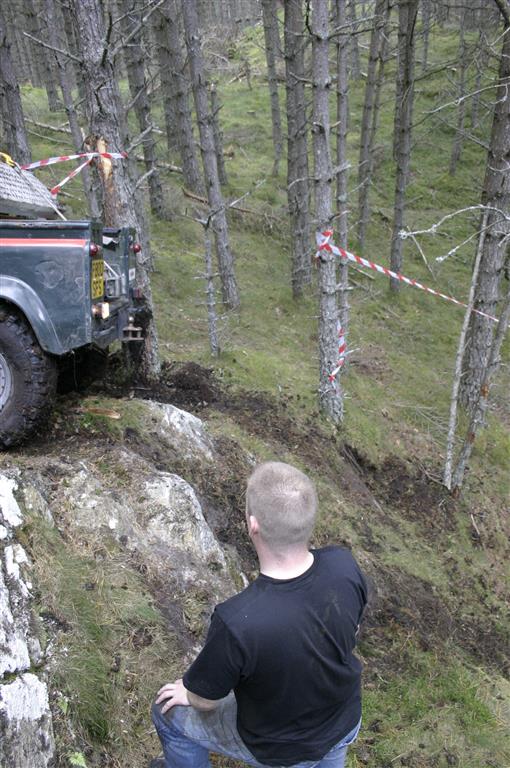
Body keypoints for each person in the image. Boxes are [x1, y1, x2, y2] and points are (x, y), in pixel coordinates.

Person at [151, 461, 368, 768]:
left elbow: (207, 700)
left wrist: (188, 693)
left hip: (280, 748)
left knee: (166, 713)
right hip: (342, 720)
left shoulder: (237, 621)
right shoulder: (343, 566)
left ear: (253, 525)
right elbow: (352, 629)